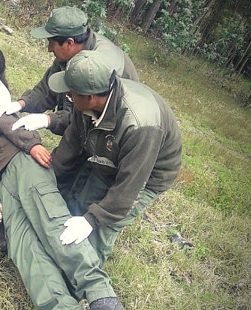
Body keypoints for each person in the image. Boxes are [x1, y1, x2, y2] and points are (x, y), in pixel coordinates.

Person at [35, 50, 181, 309]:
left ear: (90, 96)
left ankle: (86, 289)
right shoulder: (86, 105)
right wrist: (48, 181)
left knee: (98, 231)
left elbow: (128, 189)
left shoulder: (140, 125)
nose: (67, 97)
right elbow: (71, 144)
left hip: (148, 173)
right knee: (74, 203)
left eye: (71, 93)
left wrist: (93, 220)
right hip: (110, 152)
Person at [0, 105, 118, 309]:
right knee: (23, 245)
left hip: (23, 164)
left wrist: (31, 144)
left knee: (52, 223)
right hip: (2, 185)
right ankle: (60, 305)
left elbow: (7, 119)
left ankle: (100, 294)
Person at [0, 6, 139, 136]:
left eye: (51, 42)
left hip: (113, 128)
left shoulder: (100, 70)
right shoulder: (70, 53)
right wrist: (21, 103)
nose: (49, 48)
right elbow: (47, 90)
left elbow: (84, 119)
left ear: (69, 43)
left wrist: (49, 120)